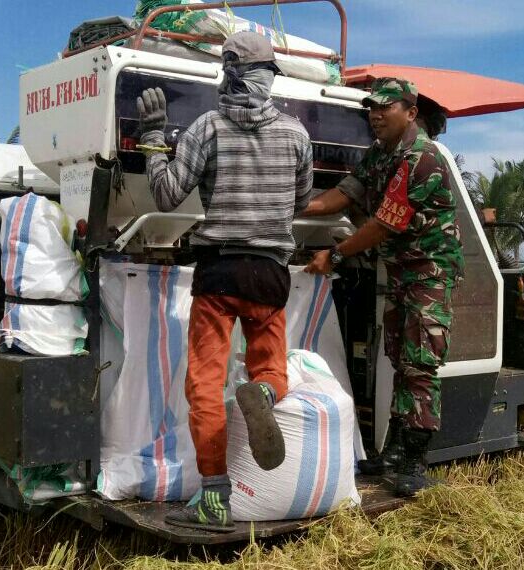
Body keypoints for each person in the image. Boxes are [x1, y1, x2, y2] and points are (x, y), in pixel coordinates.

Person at [135, 31, 313, 532]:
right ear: (268, 77)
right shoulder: (297, 134)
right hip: (271, 276)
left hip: (219, 275)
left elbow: (168, 196)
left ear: (227, 75)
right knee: (270, 369)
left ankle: (214, 499)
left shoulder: (206, 127)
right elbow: (299, 203)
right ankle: (265, 396)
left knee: (206, 384)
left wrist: (152, 139)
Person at [301, 78, 464, 497]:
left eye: (384, 108)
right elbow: (346, 192)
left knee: (420, 364)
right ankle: (392, 453)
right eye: (371, 108)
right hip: (400, 272)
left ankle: (414, 462)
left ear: (410, 112)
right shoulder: (380, 154)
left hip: (429, 272)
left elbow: (382, 224)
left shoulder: (419, 157)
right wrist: (297, 205)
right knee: (399, 359)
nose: (374, 115)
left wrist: (333, 256)